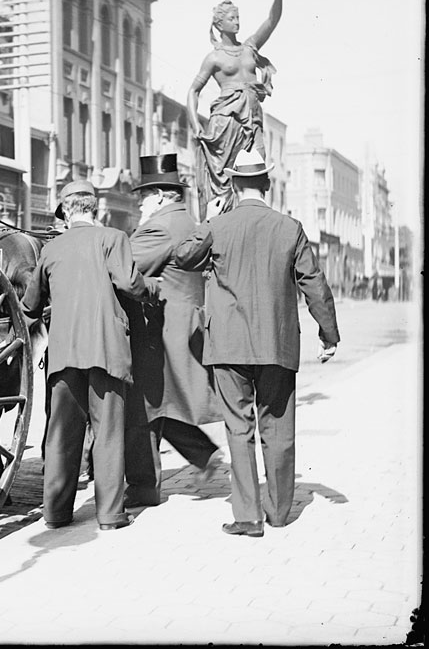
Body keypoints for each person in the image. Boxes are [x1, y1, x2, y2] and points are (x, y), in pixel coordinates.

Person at [174, 149, 340, 537]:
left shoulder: (219, 224)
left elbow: (184, 257)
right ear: (266, 184)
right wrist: (328, 334)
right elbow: (314, 284)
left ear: (233, 184)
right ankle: (280, 512)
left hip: (228, 345)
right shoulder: (290, 227)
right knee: (278, 428)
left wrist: (209, 218)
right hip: (277, 343)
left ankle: (248, 517)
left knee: (239, 427)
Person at [21, 180, 159, 531]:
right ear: (94, 209)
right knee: (109, 430)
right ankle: (111, 516)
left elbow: (31, 304)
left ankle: (56, 512)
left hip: (65, 353)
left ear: (66, 212)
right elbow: (130, 284)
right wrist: (154, 289)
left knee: (63, 433)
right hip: (106, 349)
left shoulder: (51, 249)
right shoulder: (112, 239)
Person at [122, 154, 223, 509]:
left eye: (145, 195)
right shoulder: (183, 219)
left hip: (160, 329)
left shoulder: (159, 227)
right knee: (162, 404)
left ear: (163, 196)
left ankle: (143, 488)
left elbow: (122, 266)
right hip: (178, 325)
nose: (140, 202)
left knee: (143, 406)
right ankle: (204, 456)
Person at [188, 0, 283, 219]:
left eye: (238, 17)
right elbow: (193, 91)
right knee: (225, 176)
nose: (237, 22)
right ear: (220, 24)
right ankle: (226, 221)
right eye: (232, 18)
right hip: (226, 121)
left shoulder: (249, 47)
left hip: (253, 118)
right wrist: (195, 123)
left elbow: (272, 20)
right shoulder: (214, 57)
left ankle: (256, 216)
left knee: (257, 167)